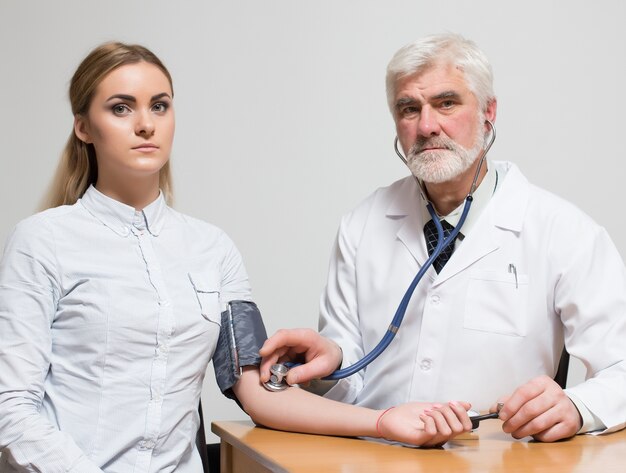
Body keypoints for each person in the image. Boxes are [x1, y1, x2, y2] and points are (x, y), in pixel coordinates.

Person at [0, 42, 477, 473]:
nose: (146, 123)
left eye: (159, 106)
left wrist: (387, 421)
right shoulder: (42, 242)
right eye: (120, 108)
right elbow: (11, 408)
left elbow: (257, 392)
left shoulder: (213, 249)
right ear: (83, 126)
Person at [260, 33, 626, 443]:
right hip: (378, 459)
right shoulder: (361, 225)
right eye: (409, 108)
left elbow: (622, 368)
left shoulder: (564, 231)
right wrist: (332, 363)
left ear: (489, 112)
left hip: (501, 462)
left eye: (446, 103)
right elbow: (352, 387)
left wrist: (576, 407)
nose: (427, 125)